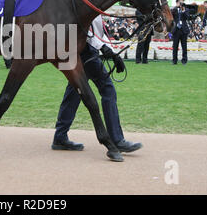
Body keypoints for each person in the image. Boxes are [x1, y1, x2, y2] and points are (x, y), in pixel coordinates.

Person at [52, 15, 142, 154]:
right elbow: (84, 30)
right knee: (107, 90)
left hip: (83, 52)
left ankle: (60, 136)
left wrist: (112, 53)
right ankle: (117, 140)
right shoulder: (89, 0)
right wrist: (106, 49)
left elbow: (98, 33)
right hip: (85, 52)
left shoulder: (95, 4)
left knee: (74, 93)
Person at [171, 0, 190, 65]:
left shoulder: (186, 9)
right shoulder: (174, 9)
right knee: (175, 46)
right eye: (180, 2)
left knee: (184, 46)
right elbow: (171, 17)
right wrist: (176, 7)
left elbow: (187, 17)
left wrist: (183, 10)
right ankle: (174, 60)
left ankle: (184, 60)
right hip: (176, 30)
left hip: (184, 30)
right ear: (177, 3)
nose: (181, 4)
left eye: (183, 3)